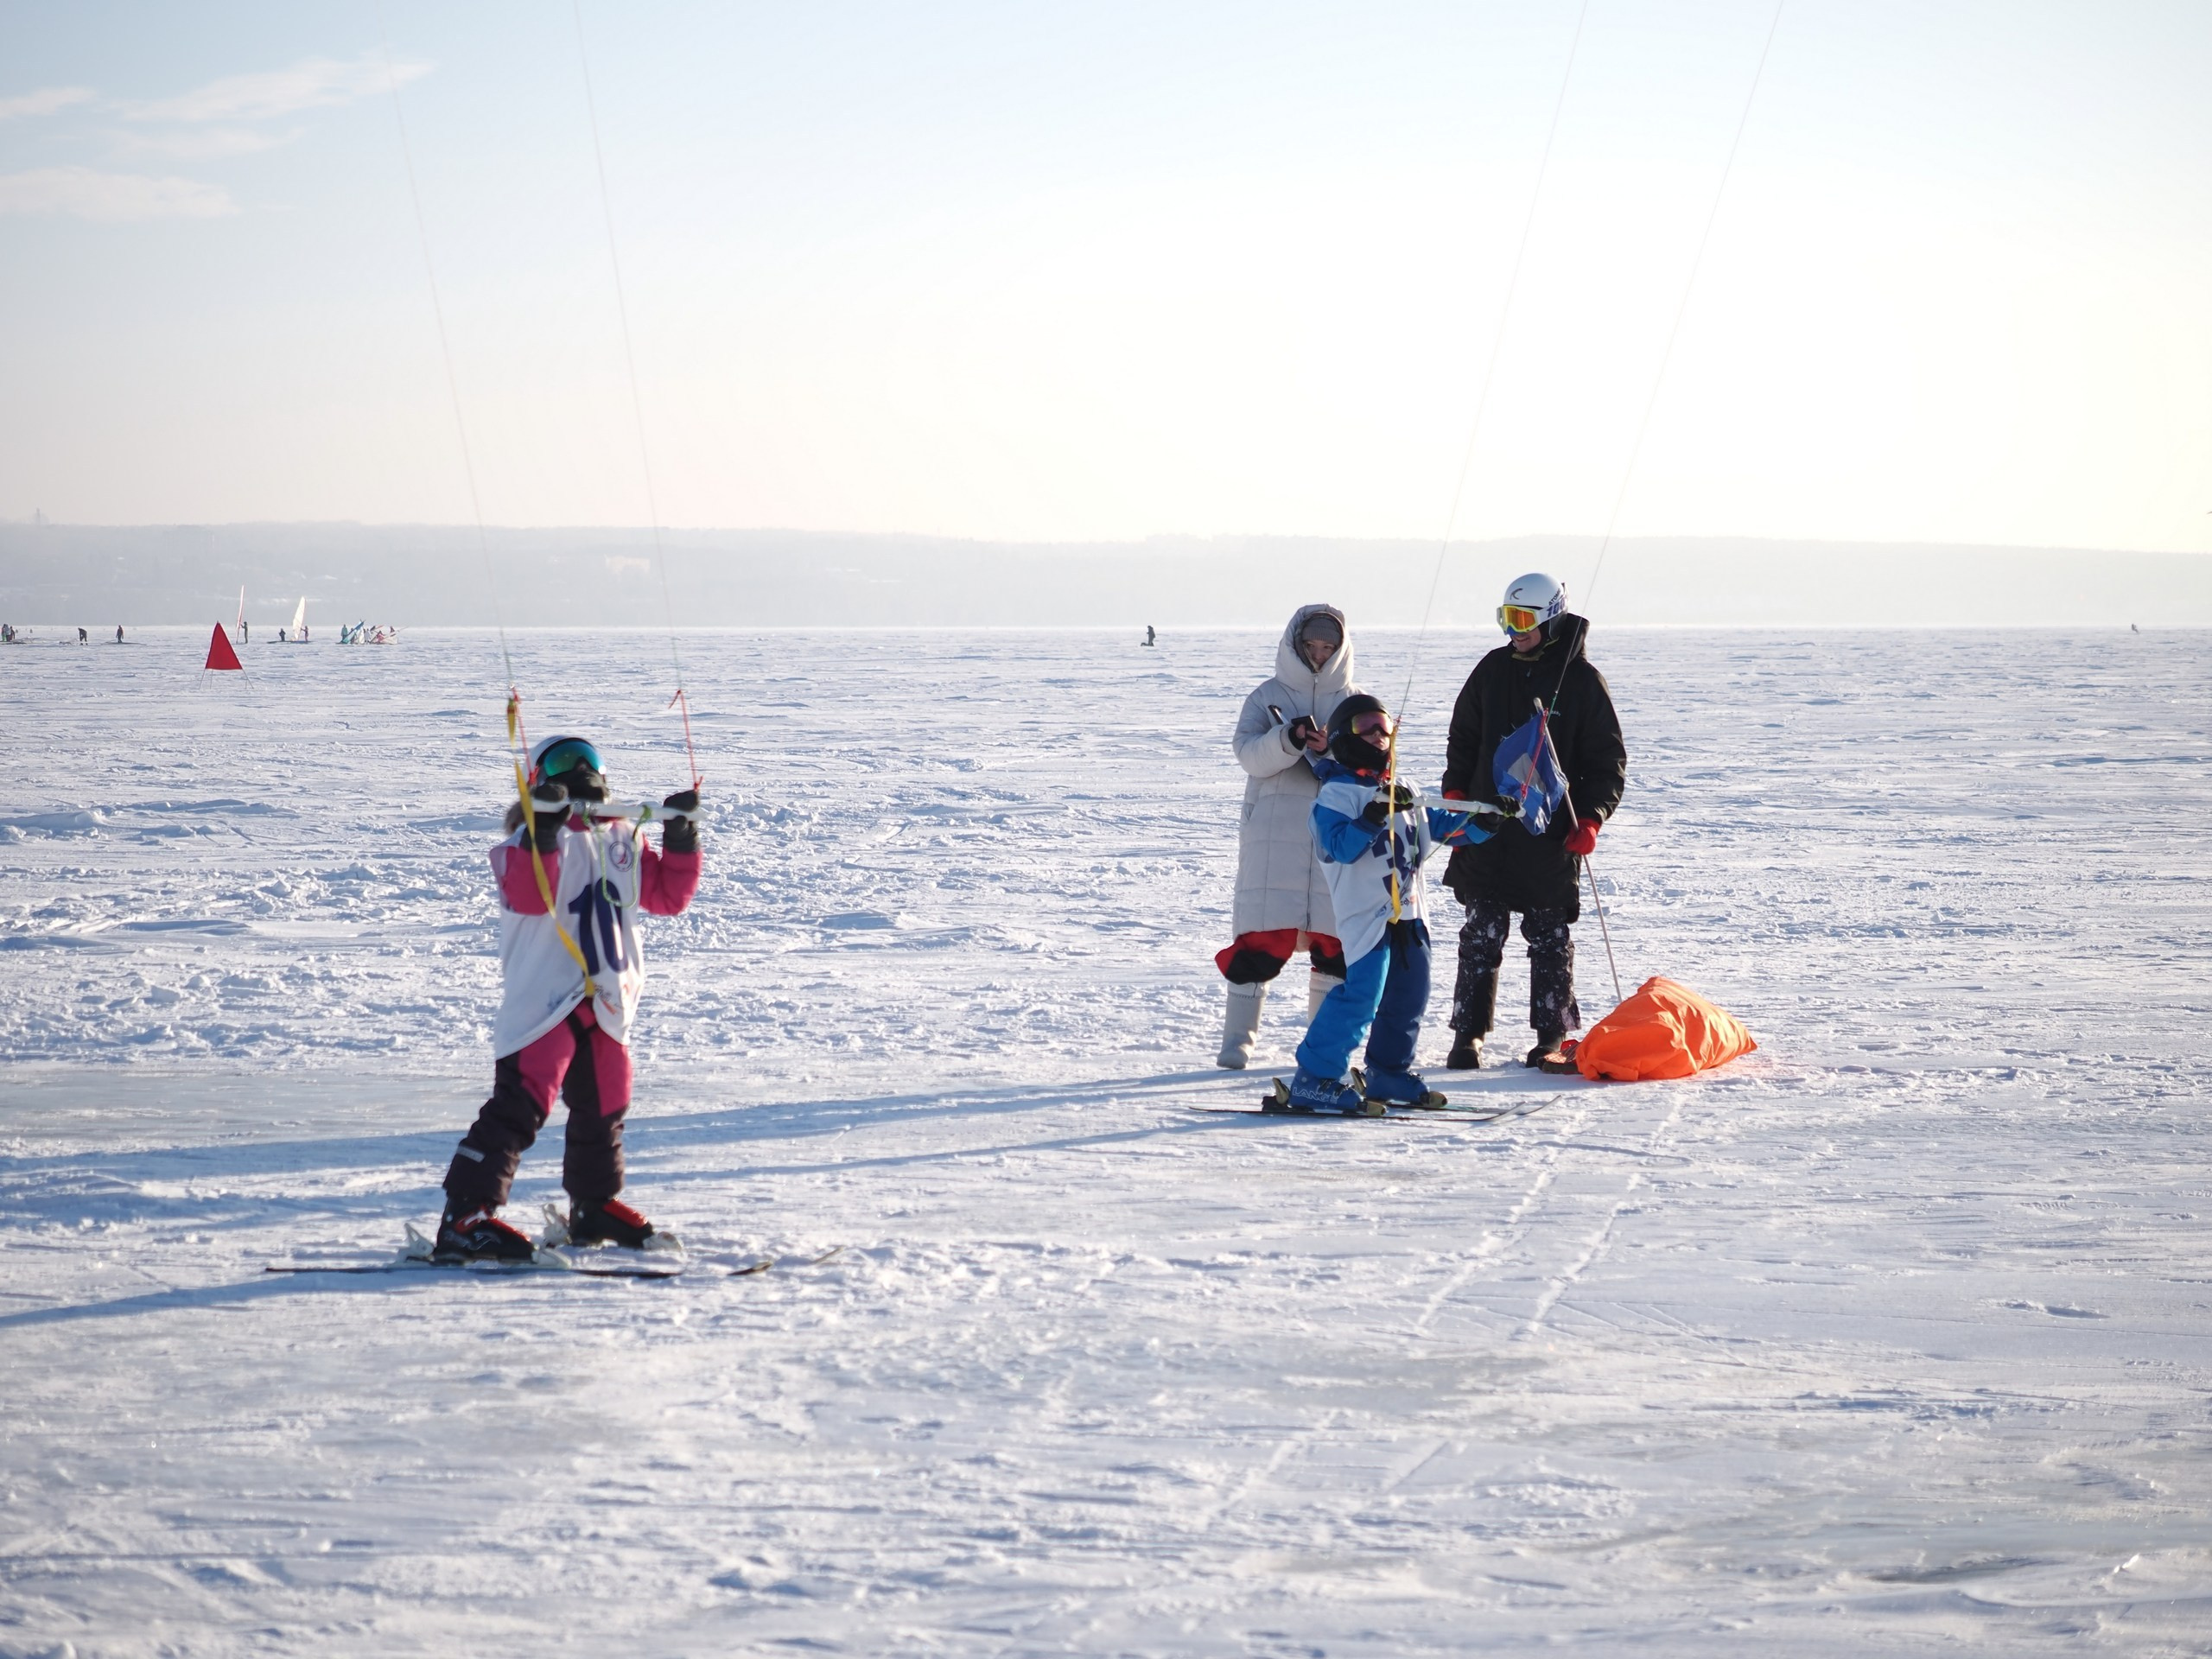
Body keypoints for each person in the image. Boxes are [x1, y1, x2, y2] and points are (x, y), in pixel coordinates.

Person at [433, 734, 703, 1261]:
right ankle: (464, 1215)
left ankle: (593, 1207)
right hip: (545, 1002)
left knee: (604, 1106)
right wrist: (545, 831)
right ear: (538, 781)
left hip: (606, 998)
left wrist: (681, 840)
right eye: (563, 763)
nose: (582, 771)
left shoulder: (623, 838)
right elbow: (532, 897)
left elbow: (667, 898)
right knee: (521, 1105)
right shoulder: (520, 846)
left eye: (591, 762)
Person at [1440, 572, 1626, 1071]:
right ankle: (1468, 1035)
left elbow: (1606, 762)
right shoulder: (1491, 670)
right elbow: (1463, 738)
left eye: (1522, 620)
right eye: (1506, 619)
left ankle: (1551, 1034)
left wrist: (1590, 820)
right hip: (1487, 830)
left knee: (1549, 939)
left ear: (1551, 618)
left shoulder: (1582, 681)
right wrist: (1457, 794)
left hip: (1548, 835)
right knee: (1480, 934)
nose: (1512, 630)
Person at [1283, 695, 1497, 1112]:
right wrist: (1371, 817)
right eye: (1367, 726)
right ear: (1346, 736)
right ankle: (1314, 1075)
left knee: (1410, 994)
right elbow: (1339, 847)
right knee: (1362, 996)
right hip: (1367, 914)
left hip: (1411, 912)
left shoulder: (1405, 789)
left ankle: (1389, 1072)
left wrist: (1484, 822)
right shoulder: (1335, 796)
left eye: (1384, 726)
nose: (1379, 735)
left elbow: (1441, 829)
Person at [1215, 605, 1359, 1068]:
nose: (1318, 656)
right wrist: (1289, 738)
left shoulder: (1357, 702)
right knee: (1263, 938)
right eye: (1311, 647)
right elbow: (1249, 756)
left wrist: (1334, 749)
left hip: (1337, 832)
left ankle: (1320, 1048)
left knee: (1333, 942)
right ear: (1295, 645)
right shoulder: (1265, 697)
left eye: (1327, 648)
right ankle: (1237, 1042)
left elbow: (1378, 762)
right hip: (1275, 831)